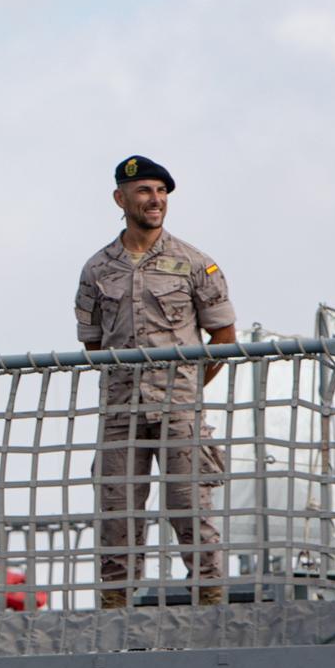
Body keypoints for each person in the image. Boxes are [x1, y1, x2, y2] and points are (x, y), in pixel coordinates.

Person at [75, 155, 236, 609]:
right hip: (121, 412)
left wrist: (187, 384)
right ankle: (115, 608)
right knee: (117, 512)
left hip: (179, 410)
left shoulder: (193, 264)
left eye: (162, 192)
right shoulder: (96, 270)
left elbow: (223, 336)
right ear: (120, 198)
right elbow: (91, 342)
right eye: (145, 191)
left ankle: (208, 602)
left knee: (191, 508)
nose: (155, 200)